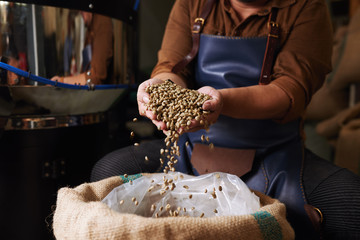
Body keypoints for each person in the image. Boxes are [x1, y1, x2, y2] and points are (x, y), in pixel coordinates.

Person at [91, 0, 360, 239]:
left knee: (351, 204)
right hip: (189, 148)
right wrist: (159, 87)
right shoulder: (192, 4)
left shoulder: (306, 7)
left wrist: (220, 101)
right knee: (108, 170)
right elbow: (172, 67)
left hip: (273, 156)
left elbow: (290, 91)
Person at [51, 12, 113, 85]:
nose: (80, 12)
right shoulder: (90, 26)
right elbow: (86, 71)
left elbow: (96, 76)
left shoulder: (102, 21)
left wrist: (61, 81)